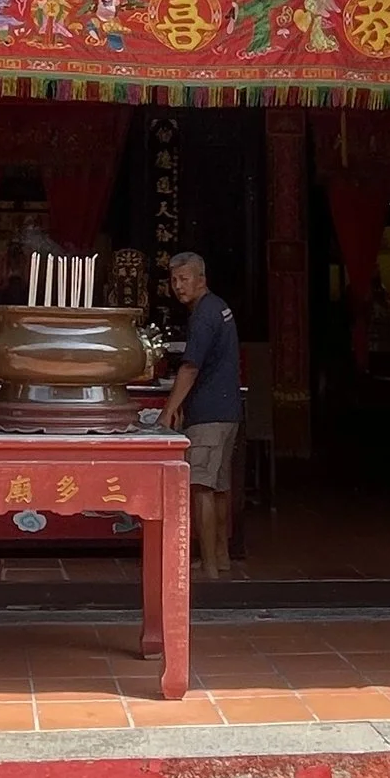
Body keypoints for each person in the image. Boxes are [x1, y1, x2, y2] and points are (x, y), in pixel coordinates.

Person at [161, 249, 240, 581]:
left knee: (201, 487)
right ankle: (220, 558)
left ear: (201, 279)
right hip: (228, 412)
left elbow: (190, 368)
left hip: (208, 414)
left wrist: (168, 411)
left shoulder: (204, 315)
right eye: (174, 280)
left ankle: (207, 566)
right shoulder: (219, 307)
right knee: (219, 487)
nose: (179, 287)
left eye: (185, 279)